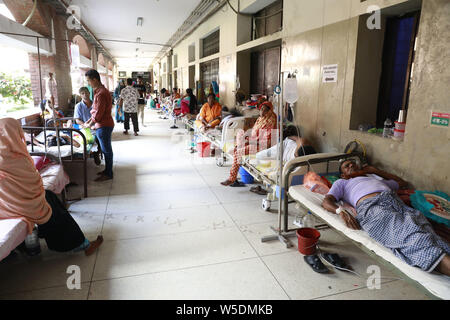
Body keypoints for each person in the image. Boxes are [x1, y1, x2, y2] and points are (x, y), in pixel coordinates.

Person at [321, 159, 450, 276]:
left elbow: (402, 183)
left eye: (353, 163)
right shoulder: (342, 182)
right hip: (373, 207)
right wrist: (340, 211)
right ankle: (435, 258)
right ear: (343, 174)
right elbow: (326, 201)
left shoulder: (374, 178)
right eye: (346, 166)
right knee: (413, 238)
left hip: (397, 204)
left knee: (426, 230)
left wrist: (376, 171)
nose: (351, 165)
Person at [0, 118, 103, 256]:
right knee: (54, 208)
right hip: (21, 205)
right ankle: (82, 244)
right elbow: (33, 183)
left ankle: (45, 238)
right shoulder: (17, 158)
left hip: (6, 207)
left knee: (50, 198)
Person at [221, 100, 277, 187]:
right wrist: (247, 137)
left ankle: (232, 178)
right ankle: (239, 147)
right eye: (261, 109)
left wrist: (250, 141)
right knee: (240, 133)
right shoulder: (260, 118)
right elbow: (254, 132)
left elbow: (266, 141)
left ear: (269, 110)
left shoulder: (271, 121)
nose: (261, 111)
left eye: (264, 109)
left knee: (238, 153)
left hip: (262, 146)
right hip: (254, 141)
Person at [82, 69, 115, 182]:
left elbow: (99, 114)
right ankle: (107, 171)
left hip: (103, 125)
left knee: (106, 150)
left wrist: (89, 124)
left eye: (89, 81)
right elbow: (95, 112)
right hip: (103, 124)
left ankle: (109, 173)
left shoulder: (101, 94)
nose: (88, 84)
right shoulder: (99, 91)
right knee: (105, 149)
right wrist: (89, 121)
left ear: (95, 79)